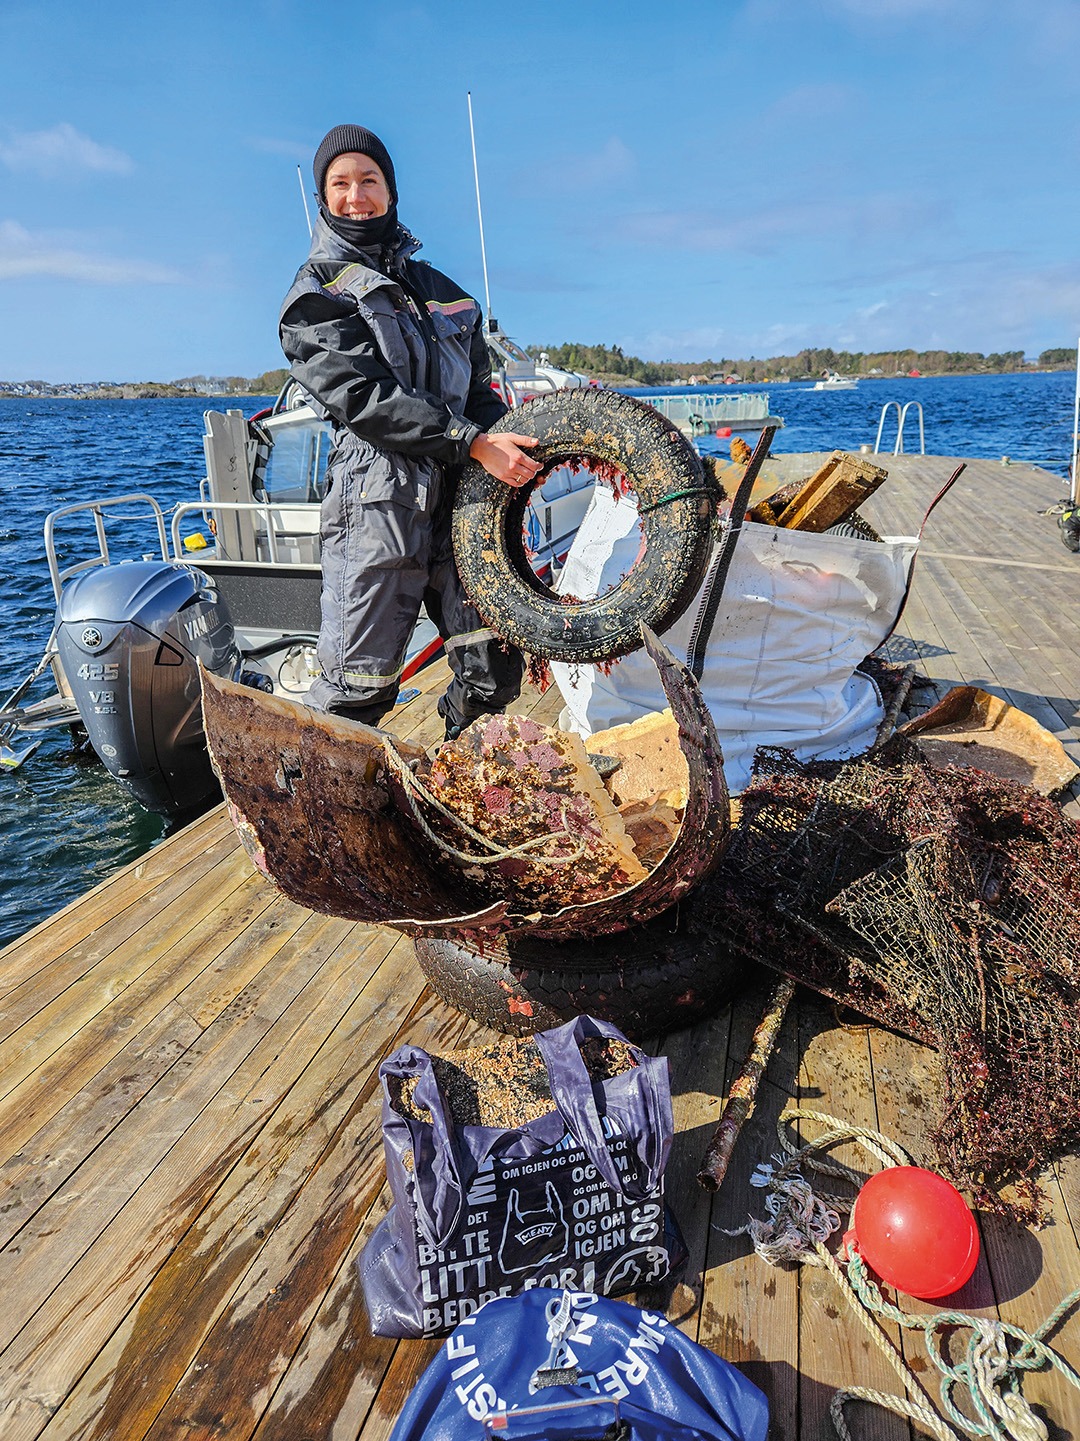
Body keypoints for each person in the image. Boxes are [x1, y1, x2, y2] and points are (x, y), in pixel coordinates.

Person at [279, 124, 542, 737]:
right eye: (340, 183)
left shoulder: (445, 293)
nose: (356, 196)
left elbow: (478, 391)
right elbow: (365, 398)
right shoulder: (314, 294)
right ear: (324, 198)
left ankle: (454, 767)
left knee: (493, 670)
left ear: (390, 193)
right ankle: (330, 814)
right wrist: (471, 442)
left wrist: (515, 450)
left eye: (369, 181)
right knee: (357, 689)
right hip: (378, 507)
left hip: (465, 504)